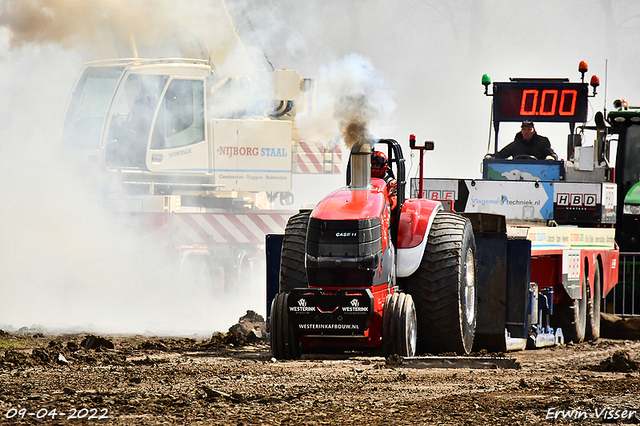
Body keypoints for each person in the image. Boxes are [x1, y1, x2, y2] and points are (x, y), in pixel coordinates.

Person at [492, 121, 558, 160]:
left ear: (533, 131)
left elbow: (551, 154)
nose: (526, 132)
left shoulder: (542, 142)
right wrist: (491, 157)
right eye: (524, 129)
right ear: (521, 131)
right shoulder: (516, 144)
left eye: (529, 129)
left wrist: (551, 157)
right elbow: (502, 154)